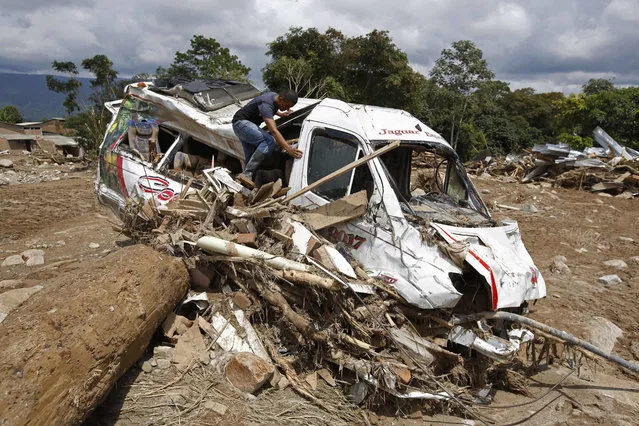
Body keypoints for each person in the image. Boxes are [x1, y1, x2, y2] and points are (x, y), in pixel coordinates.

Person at [232, 89, 303, 188]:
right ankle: (246, 175)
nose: (287, 109)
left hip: (244, 126)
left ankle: (242, 186)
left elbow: (271, 109)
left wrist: (280, 114)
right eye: (287, 106)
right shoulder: (266, 103)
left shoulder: (274, 97)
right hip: (241, 124)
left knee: (251, 158)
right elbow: (274, 131)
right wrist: (288, 149)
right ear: (281, 99)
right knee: (269, 141)